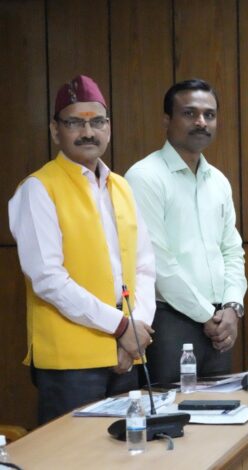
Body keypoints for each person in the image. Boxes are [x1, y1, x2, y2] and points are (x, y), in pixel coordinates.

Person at [9, 75, 156, 423]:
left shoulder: (121, 187)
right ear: (55, 130)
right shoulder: (38, 188)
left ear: (109, 127)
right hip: (71, 365)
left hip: (128, 353)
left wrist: (136, 331)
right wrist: (121, 328)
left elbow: (145, 266)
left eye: (97, 122)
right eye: (75, 122)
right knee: (72, 452)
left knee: (130, 448)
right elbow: (48, 279)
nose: (88, 132)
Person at [125, 79, 247, 385]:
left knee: (223, 409)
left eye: (209, 115)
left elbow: (232, 250)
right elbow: (157, 261)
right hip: (169, 321)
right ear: (167, 120)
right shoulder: (145, 177)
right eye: (190, 113)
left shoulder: (218, 180)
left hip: (220, 324)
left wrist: (232, 307)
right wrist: (207, 315)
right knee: (173, 409)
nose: (201, 122)